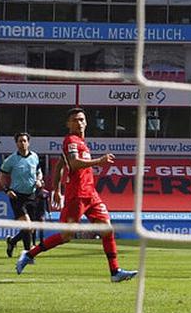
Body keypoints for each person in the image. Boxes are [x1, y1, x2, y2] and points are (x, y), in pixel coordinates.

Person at [15, 107, 138, 282]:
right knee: (66, 236)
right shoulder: (70, 140)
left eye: (81, 119)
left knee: (107, 229)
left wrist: (56, 189)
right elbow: (72, 164)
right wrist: (99, 161)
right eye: (75, 120)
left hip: (91, 194)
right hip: (77, 194)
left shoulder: (82, 143)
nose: (79, 123)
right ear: (68, 124)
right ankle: (29, 254)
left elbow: (59, 165)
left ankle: (115, 271)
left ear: (86, 122)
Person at [0, 132, 45, 258]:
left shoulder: (34, 157)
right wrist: (7, 190)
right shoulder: (11, 159)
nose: (22, 143)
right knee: (27, 225)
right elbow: (2, 176)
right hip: (17, 197)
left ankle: (12, 241)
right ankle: (28, 253)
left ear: (28, 142)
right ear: (16, 143)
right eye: (20, 141)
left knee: (31, 228)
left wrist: (39, 180)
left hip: (32, 196)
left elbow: (39, 172)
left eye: (24, 141)